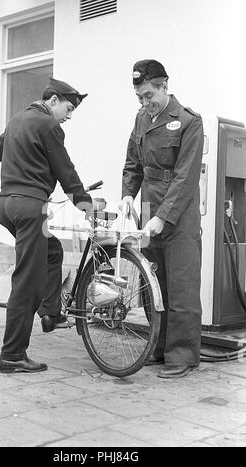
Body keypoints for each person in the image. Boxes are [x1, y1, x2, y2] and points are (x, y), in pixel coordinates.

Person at [0, 78, 94, 374]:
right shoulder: (49, 126)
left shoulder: (17, 121)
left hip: (7, 206)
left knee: (52, 252)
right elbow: (66, 170)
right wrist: (85, 204)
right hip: (29, 208)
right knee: (27, 281)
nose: (69, 115)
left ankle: (51, 313)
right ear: (52, 100)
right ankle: (12, 354)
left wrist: (21, 155)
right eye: (68, 107)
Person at [120, 60, 204, 379]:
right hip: (149, 209)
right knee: (154, 284)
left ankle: (182, 356)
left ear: (164, 85)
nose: (144, 102)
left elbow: (185, 178)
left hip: (178, 214)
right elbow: (132, 163)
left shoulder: (188, 122)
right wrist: (129, 194)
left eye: (149, 94)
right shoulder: (141, 119)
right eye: (139, 96)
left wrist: (162, 217)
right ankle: (160, 348)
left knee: (181, 286)